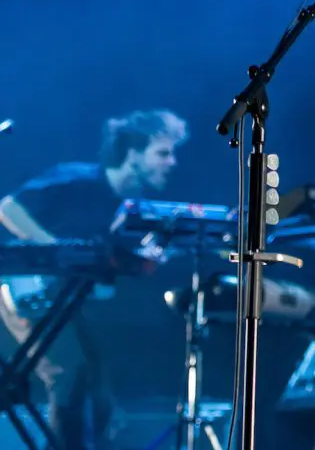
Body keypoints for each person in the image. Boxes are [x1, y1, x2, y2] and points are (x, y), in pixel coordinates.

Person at [0, 109, 188, 450]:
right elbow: (9, 208)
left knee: (101, 395)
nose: (172, 162)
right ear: (132, 153)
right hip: (29, 291)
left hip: (69, 304)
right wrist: (58, 252)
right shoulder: (77, 178)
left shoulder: (133, 209)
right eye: (163, 153)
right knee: (69, 375)